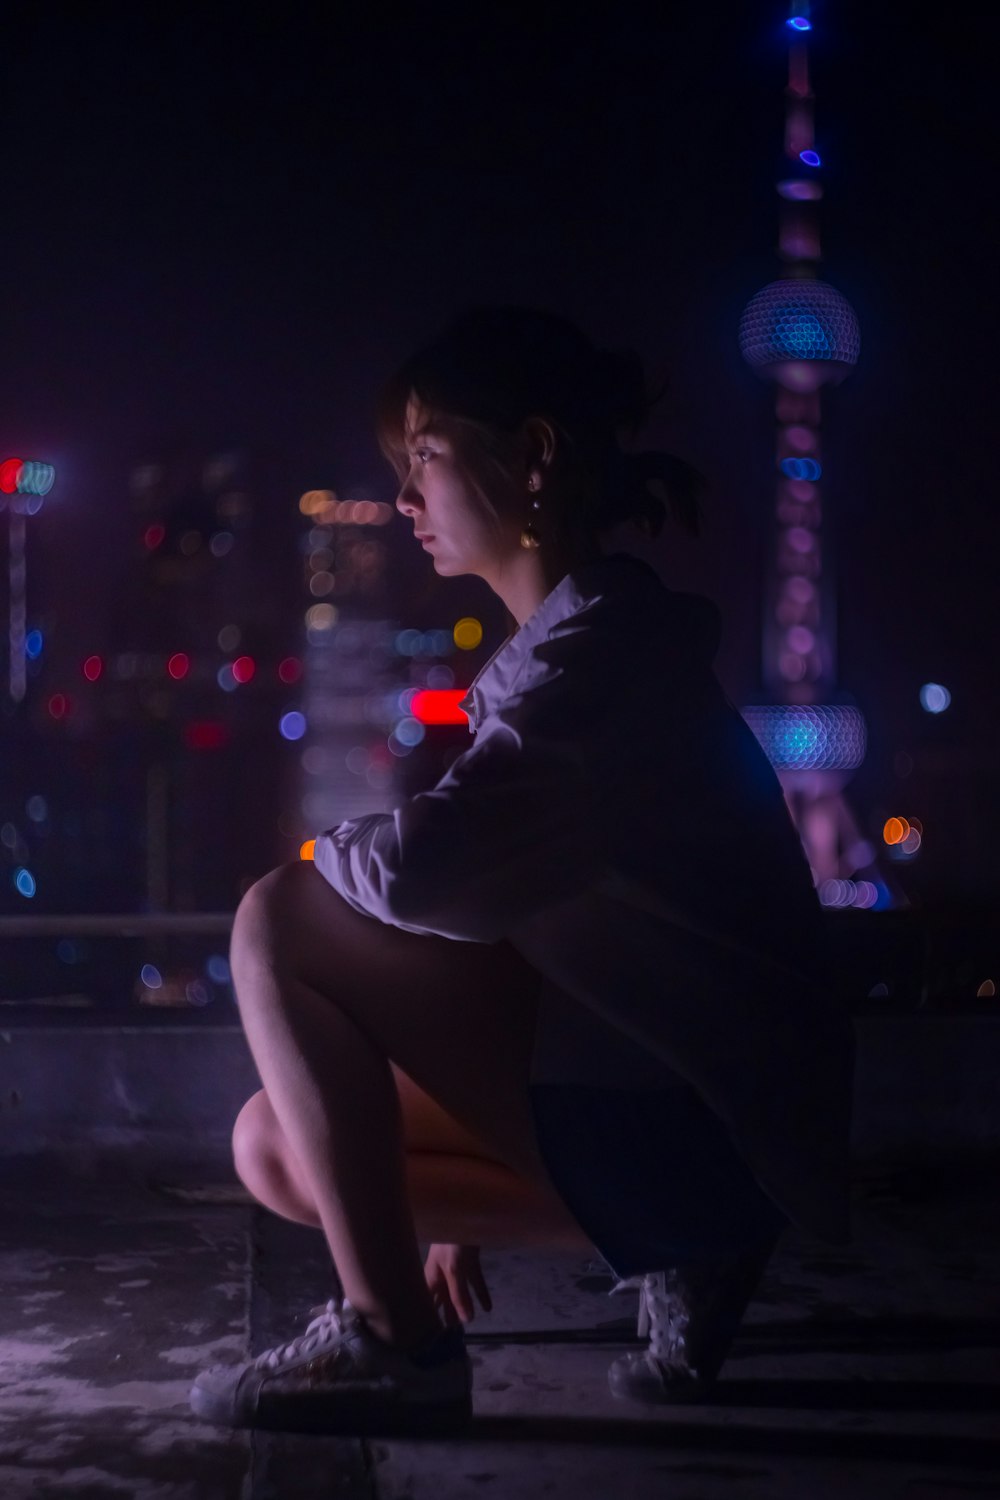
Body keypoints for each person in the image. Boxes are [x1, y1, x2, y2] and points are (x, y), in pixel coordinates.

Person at [190, 306, 855, 1436]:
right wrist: (455, 1215)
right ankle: (685, 1256)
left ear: (533, 458)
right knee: (275, 1144)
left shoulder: (593, 678)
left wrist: (319, 855)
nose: (402, 501)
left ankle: (396, 1350)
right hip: (701, 1127)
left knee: (279, 917)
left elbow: (419, 882)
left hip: (706, 1130)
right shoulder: (580, 658)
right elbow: (516, 930)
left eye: (423, 460)